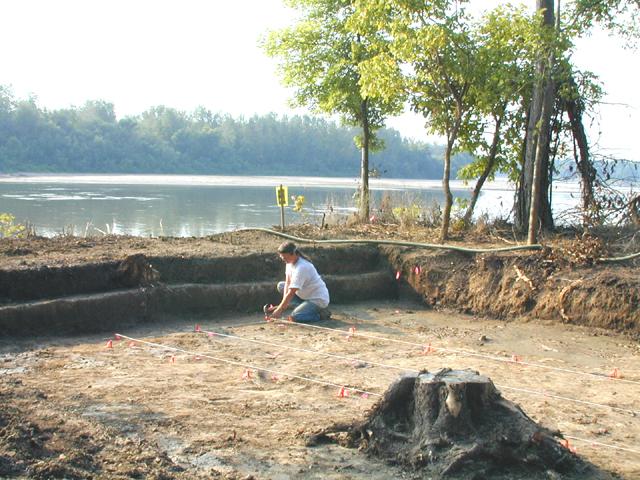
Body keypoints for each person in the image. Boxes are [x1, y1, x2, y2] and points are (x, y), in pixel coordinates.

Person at [266, 241, 330, 323]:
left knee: (295, 317)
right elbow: (288, 283)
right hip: (303, 295)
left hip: (317, 299)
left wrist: (279, 310)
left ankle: (321, 314)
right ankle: (299, 306)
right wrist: (282, 306)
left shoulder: (302, 267)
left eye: (285, 258)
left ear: (293, 254)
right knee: (281, 285)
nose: (284, 260)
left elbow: (292, 292)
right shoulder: (289, 263)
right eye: (283, 258)